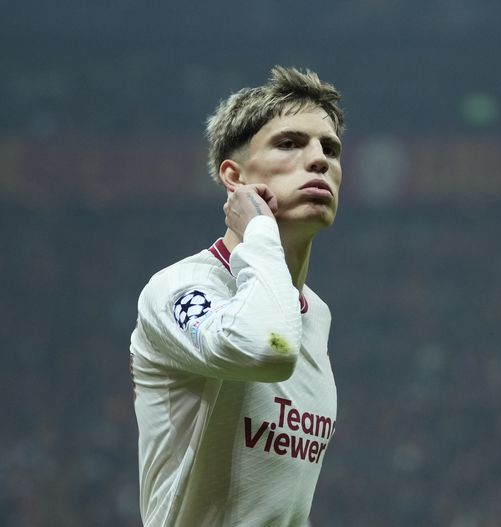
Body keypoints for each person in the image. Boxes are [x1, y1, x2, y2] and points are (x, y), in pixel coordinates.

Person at [129, 66, 345, 526]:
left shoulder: (316, 313)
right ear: (234, 176)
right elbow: (265, 347)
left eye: (330, 148)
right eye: (290, 143)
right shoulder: (179, 289)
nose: (319, 160)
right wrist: (260, 230)